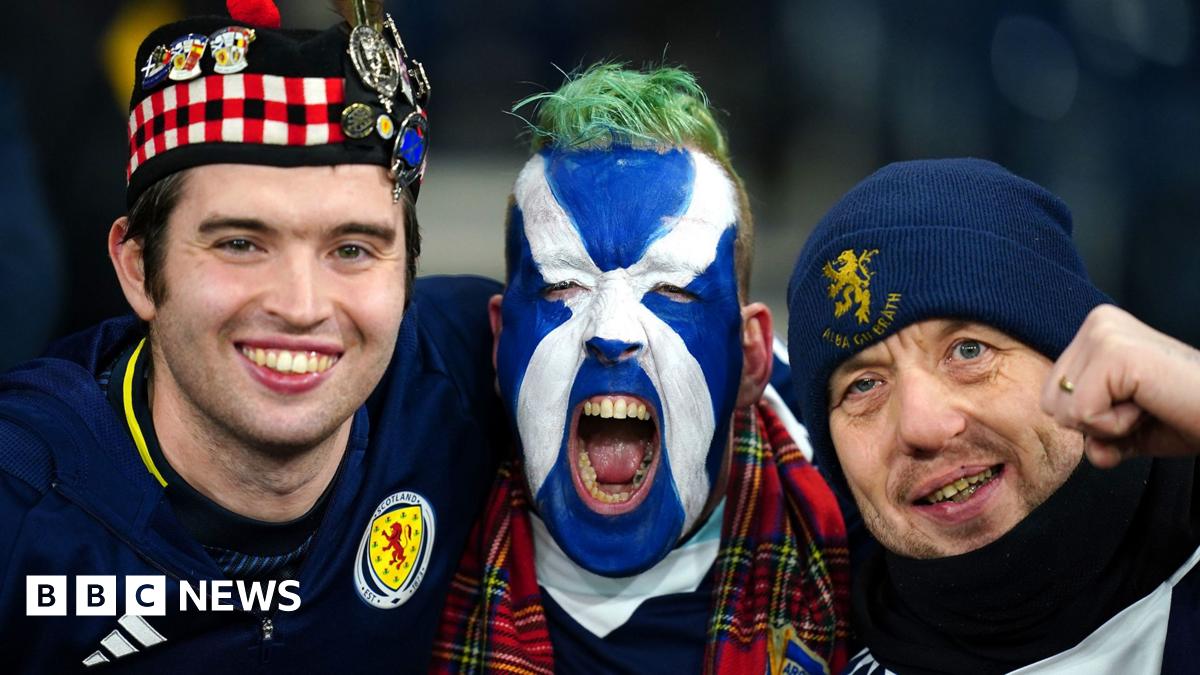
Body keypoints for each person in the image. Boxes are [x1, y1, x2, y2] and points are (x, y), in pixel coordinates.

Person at [0, 1, 502, 671]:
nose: (301, 307)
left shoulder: (468, 374)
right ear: (138, 269)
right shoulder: (19, 503)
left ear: (407, 274)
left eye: (353, 249)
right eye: (240, 243)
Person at [432, 64, 851, 675]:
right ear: (498, 343)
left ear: (752, 358)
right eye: (563, 285)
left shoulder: (862, 529)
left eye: (672, 289)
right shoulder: (418, 499)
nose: (612, 332)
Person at [785, 158, 1200, 674]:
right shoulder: (807, 646)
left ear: (1080, 359)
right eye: (864, 386)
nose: (922, 426)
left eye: (968, 351)